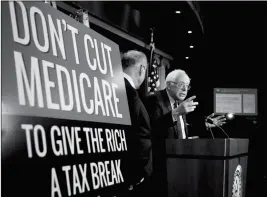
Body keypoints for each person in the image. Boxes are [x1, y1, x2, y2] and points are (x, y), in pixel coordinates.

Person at [120, 50, 153, 197]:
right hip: (131, 179)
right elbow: (129, 135)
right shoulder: (128, 92)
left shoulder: (120, 87)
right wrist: (134, 176)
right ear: (142, 69)